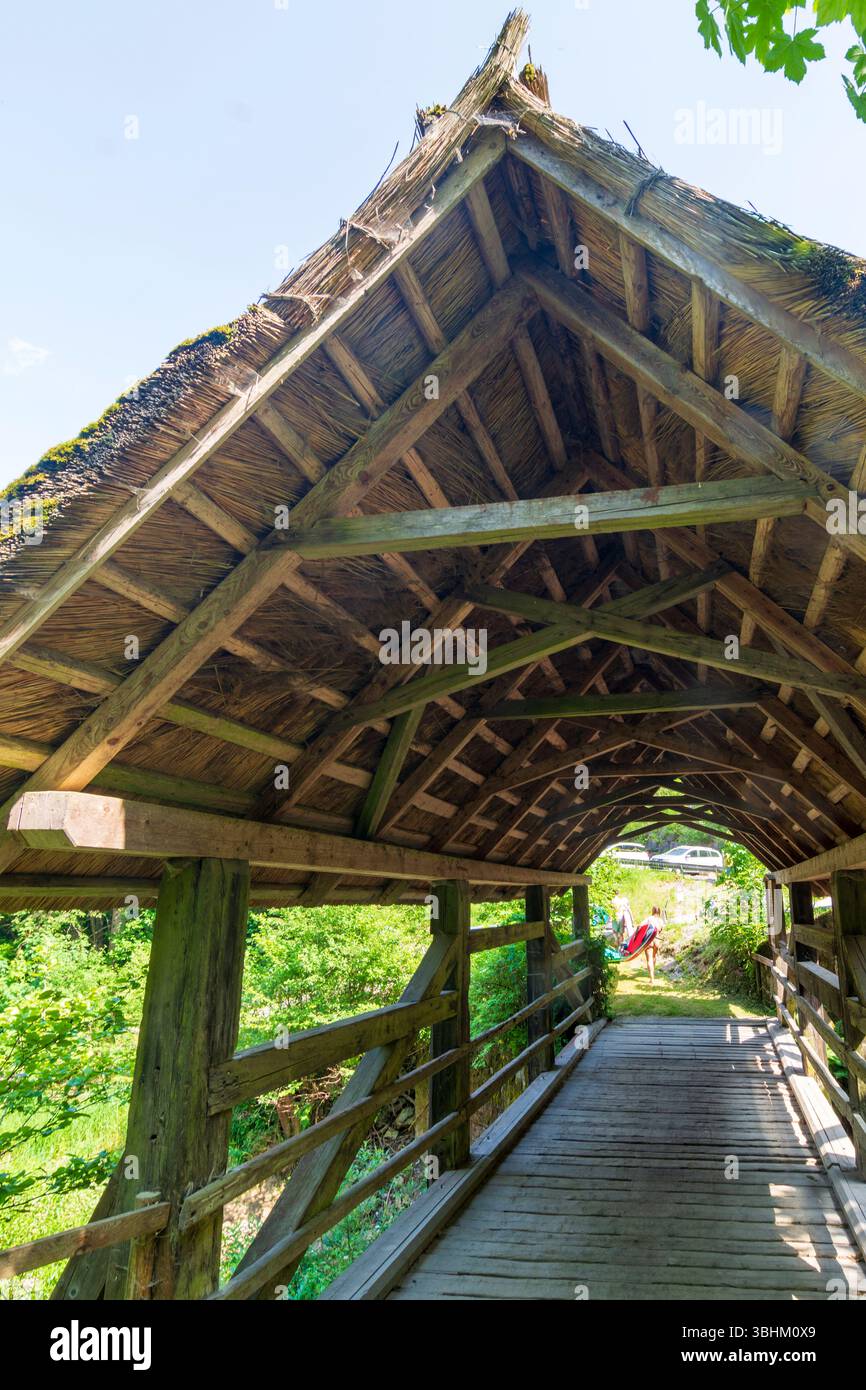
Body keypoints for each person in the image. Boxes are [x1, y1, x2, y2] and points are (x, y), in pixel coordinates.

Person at [641, 905, 664, 984]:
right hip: (657, 940)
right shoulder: (660, 920)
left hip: (649, 940)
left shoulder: (649, 918)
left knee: (649, 959)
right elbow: (660, 929)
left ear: (653, 911)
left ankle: (652, 978)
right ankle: (653, 973)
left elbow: (640, 926)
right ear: (659, 912)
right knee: (654, 957)